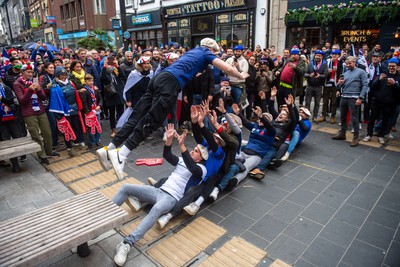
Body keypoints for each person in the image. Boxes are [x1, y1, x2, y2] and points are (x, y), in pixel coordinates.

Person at [96, 38, 249, 180]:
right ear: (210, 48)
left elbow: (193, 71)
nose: (214, 55)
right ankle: (122, 154)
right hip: (170, 84)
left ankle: (109, 148)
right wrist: (241, 75)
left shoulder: (192, 52)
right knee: (153, 120)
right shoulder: (205, 52)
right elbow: (227, 68)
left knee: (137, 115)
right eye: (215, 52)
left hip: (159, 78)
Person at [112, 124, 207, 266]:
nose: (192, 152)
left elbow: (191, 166)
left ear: (200, 158)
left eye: (195, 151)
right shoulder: (183, 160)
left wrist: (182, 145)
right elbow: (167, 155)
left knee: (156, 209)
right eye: (192, 150)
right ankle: (107, 217)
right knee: (126, 188)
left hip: (171, 198)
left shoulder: (201, 169)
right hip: (158, 191)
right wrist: (168, 140)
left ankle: (127, 243)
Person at [13, 62, 53, 164]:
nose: (30, 74)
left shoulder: (35, 81)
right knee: (35, 135)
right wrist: (30, 90)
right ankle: (42, 156)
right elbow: (22, 100)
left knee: (47, 132)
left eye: (31, 72)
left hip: (40, 110)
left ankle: (49, 151)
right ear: (22, 72)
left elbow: (43, 97)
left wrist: (39, 90)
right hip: (29, 112)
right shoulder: (17, 84)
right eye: (28, 72)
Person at [332, 56, 369, 147]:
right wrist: (339, 84)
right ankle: (342, 133)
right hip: (344, 96)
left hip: (354, 97)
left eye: (350, 63)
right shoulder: (345, 73)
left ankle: (355, 137)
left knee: (355, 118)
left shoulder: (361, 72)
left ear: (354, 62)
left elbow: (365, 85)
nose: (348, 65)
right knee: (342, 116)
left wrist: (360, 98)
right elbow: (339, 86)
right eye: (347, 63)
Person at [49, 66, 86, 157]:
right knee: (67, 130)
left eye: (65, 74)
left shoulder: (70, 82)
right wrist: (59, 115)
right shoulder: (55, 86)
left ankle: (76, 143)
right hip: (64, 111)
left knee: (76, 127)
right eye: (61, 75)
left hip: (74, 109)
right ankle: (69, 148)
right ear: (57, 75)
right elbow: (55, 100)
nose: (63, 76)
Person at [363, 57, 400, 144]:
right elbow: (373, 86)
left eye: (393, 66)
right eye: (390, 66)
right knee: (372, 119)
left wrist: (395, 84)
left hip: (389, 103)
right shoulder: (383, 74)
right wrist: (378, 80)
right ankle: (369, 134)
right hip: (377, 101)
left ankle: (381, 136)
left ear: (397, 67)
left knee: (385, 120)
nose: (391, 68)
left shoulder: (399, 77)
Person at [100, 55, 127, 138]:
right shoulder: (104, 70)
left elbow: (123, 76)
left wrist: (117, 66)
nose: (111, 62)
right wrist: (105, 66)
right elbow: (103, 78)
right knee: (112, 113)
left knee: (121, 112)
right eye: (109, 61)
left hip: (118, 93)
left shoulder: (116, 69)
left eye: (112, 60)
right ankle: (113, 129)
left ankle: (121, 128)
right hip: (110, 94)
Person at [0, 77, 21, 172]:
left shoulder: (5, 88)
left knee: (16, 137)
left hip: (11, 117)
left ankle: (19, 159)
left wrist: (2, 98)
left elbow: (11, 101)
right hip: (1, 122)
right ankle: (14, 163)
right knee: (6, 140)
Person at [304, 50, 328, 121]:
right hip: (310, 85)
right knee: (307, 102)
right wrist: (309, 75)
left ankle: (314, 117)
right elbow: (305, 73)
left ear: (322, 56)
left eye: (319, 56)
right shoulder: (310, 63)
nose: (317, 57)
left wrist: (319, 76)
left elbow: (326, 74)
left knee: (317, 103)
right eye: (316, 55)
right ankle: (306, 116)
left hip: (318, 86)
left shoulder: (324, 64)